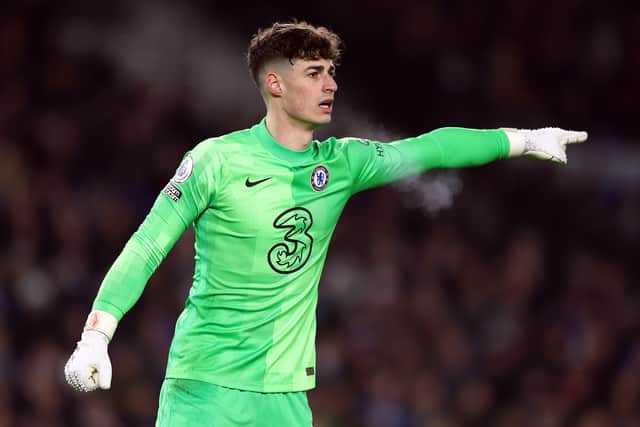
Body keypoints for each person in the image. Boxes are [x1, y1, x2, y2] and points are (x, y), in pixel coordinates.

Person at [64, 21, 588, 426]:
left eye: (331, 72)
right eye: (314, 73)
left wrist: (522, 138)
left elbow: (428, 147)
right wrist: (97, 334)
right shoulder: (215, 161)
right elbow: (147, 245)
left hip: (286, 396)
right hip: (205, 387)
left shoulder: (341, 163)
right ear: (275, 83)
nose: (330, 84)